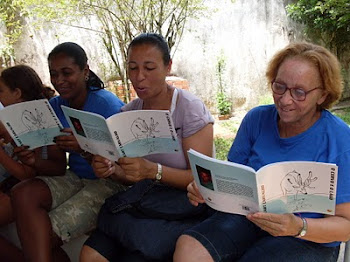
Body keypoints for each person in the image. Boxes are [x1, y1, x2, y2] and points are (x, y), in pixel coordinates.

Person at [173, 42, 350, 262]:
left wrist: (297, 226)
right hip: (248, 217)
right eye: (279, 87)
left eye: (299, 92)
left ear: (322, 95)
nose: (285, 100)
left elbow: (345, 226)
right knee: (189, 248)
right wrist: (206, 188)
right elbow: (232, 179)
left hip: (308, 236)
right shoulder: (256, 119)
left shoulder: (341, 140)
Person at [79, 33, 214, 262]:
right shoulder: (128, 114)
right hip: (143, 203)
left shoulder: (188, 109)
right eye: (133, 68)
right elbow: (131, 176)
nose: (139, 77)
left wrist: (153, 171)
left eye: (149, 68)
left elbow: (203, 178)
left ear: (168, 66)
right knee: (89, 255)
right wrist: (112, 170)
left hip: (182, 209)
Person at [11, 42, 126, 262]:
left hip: (110, 183)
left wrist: (84, 148)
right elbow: (55, 167)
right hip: (75, 177)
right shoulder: (55, 106)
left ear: (85, 72)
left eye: (67, 73)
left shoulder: (107, 105)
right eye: (54, 74)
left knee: (40, 236)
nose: (59, 81)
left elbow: (126, 166)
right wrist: (33, 159)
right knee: (22, 193)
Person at [0, 65, 66, 262]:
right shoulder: (12, 119)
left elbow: (26, 174)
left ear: (17, 93)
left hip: (33, 187)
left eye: (1, 91)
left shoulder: (33, 120)